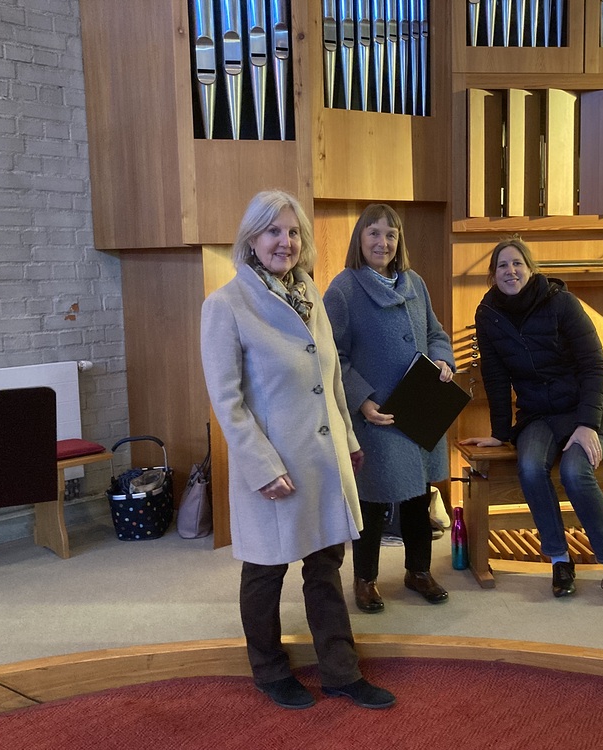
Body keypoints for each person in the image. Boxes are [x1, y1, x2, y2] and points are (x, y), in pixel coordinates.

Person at [200, 190, 395, 711]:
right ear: (251, 239)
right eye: (273, 231)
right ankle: (268, 670)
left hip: (322, 459)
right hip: (273, 466)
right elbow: (227, 403)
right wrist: (261, 467)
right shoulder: (225, 305)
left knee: (326, 566)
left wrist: (348, 440)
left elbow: (330, 378)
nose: (284, 242)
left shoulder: (309, 293)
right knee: (265, 571)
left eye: (292, 232)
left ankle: (340, 672)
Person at [459, 238, 603, 604]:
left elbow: (594, 365)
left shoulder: (561, 302)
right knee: (530, 467)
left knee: (574, 471)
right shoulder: (488, 314)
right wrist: (500, 433)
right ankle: (559, 559)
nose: (510, 271)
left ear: (530, 268)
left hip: (588, 409)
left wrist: (588, 424)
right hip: (539, 413)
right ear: (493, 274)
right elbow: (495, 376)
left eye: (517, 264)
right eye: (502, 265)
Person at [324, 203, 456, 614]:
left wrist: (443, 360)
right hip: (377, 415)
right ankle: (365, 580)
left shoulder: (415, 282)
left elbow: (436, 333)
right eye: (374, 233)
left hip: (420, 407)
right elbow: (332, 356)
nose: (383, 242)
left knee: (419, 495)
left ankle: (418, 571)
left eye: (391, 235)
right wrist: (362, 400)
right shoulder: (343, 289)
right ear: (360, 239)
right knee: (373, 499)